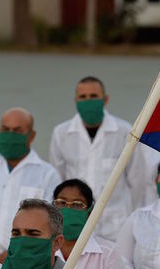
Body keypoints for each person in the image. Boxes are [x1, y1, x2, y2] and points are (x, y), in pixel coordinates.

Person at [49, 76, 147, 242]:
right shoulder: (61, 133)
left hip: (116, 226)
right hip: (75, 223)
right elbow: (59, 180)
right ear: (76, 100)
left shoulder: (125, 131)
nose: (88, 101)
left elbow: (137, 181)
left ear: (105, 99)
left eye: (93, 96)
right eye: (83, 97)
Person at [0, 107, 60, 264]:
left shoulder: (48, 175)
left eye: (16, 131)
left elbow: (51, 222)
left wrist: (15, 250)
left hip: (25, 260)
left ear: (31, 135)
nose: (10, 135)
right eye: (5, 129)